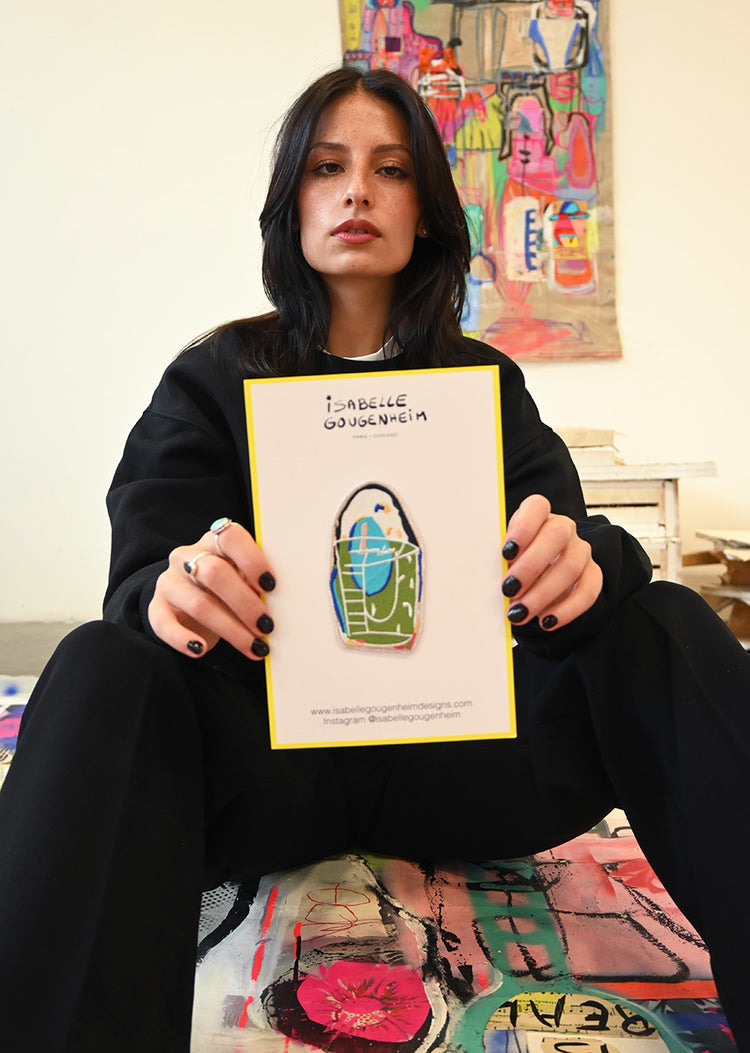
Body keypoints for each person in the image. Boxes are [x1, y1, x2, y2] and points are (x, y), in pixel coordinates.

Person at [0, 66, 747, 1053]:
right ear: (292, 202)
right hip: (260, 777)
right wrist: (171, 592)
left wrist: (591, 564)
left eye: (390, 170)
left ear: (426, 209)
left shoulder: (484, 380)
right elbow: (142, 577)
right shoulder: (213, 374)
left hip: (471, 767)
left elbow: (562, 542)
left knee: (665, 617)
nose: (357, 191)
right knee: (99, 660)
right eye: (327, 166)